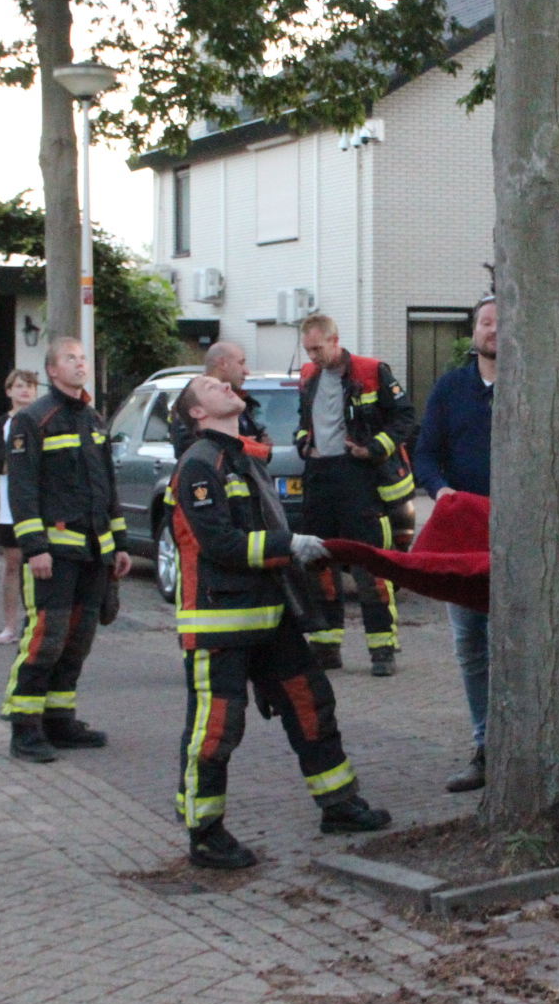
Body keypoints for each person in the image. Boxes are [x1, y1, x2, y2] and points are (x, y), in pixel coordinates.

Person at [170, 374, 392, 868]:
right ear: (197, 414)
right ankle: (204, 833)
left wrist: (299, 554)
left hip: (273, 618)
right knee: (216, 730)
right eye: (209, 386)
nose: (224, 385)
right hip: (219, 624)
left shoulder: (245, 458)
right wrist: (288, 545)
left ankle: (338, 804)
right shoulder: (199, 466)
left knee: (312, 704)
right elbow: (222, 545)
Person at [2, 336, 130, 762]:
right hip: (52, 556)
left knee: (78, 640)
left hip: (95, 553)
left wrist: (120, 543)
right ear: (52, 371)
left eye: (83, 358)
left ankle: (59, 719)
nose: (80, 364)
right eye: (70, 359)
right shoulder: (33, 420)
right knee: (45, 639)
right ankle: (25, 727)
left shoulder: (93, 419)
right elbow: (21, 490)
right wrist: (34, 546)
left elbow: (106, 486)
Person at [292, 313, 417, 676]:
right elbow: (305, 422)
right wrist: (304, 446)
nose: (312, 356)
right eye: (308, 349)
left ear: (335, 340)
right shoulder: (308, 376)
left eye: (317, 348)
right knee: (319, 564)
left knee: (369, 566)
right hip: (319, 478)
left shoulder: (371, 371)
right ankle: (327, 649)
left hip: (359, 477)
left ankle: (382, 651)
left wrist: (374, 448)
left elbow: (405, 418)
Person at [413, 295, 497, 792]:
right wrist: (440, 490)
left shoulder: (530, 386)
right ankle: (485, 746)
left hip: (518, 535)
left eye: (501, 323)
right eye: (485, 322)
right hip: (465, 535)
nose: (492, 330)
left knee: (513, 641)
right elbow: (425, 454)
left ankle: (521, 740)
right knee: (470, 642)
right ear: (474, 333)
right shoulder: (450, 390)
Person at [0, 369, 40, 644]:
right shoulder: (1, 425)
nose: (25, 391)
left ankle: (36, 621)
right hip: (10, 505)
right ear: (9, 391)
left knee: (38, 562)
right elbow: (1, 463)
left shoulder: (42, 419)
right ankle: (9, 624)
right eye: (19, 386)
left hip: (39, 504)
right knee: (13, 563)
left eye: (30, 386)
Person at [170, 340, 269, 457]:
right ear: (223, 364)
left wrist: (257, 447)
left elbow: (261, 449)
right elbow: (190, 450)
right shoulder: (191, 402)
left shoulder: (237, 401)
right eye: (241, 363)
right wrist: (242, 447)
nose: (247, 371)